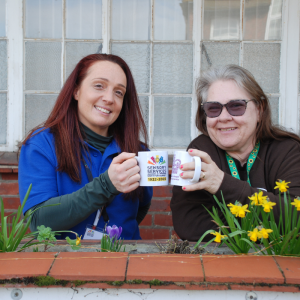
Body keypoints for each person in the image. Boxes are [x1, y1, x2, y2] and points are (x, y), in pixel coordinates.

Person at [19, 54, 152, 240]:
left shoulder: (137, 150)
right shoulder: (41, 145)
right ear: (76, 91)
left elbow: (142, 205)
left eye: (119, 92)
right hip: (64, 264)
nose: (109, 98)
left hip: (126, 264)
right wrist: (106, 185)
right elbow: (39, 221)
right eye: (99, 86)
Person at [171, 64, 300, 241]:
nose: (223, 117)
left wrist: (221, 184)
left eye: (236, 106)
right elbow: (189, 226)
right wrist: (264, 225)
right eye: (213, 108)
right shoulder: (200, 151)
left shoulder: (287, 150)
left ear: (260, 110)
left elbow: (294, 218)